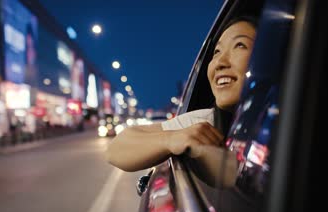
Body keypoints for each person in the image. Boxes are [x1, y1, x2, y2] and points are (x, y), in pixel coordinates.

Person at [106, 16, 258, 172]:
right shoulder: (205, 124)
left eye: (240, 45)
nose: (220, 62)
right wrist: (172, 139)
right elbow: (116, 149)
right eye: (217, 51)